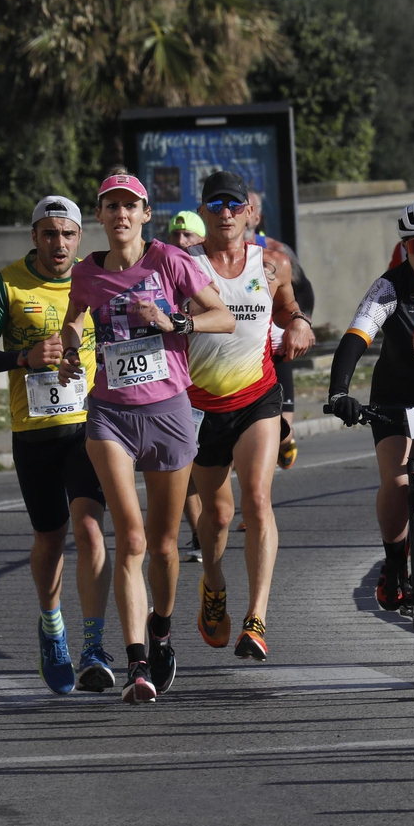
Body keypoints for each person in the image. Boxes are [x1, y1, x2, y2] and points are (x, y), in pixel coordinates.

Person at [57, 173, 235, 704]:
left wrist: (171, 319)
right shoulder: (88, 272)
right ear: (101, 215)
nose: (120, 216)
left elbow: (222, 317)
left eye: (129, 206)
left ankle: (160, 629)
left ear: (145, 212)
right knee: (130, 539)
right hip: (109, 414)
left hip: (168, 414)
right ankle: (137, 662)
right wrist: (69, 348)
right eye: (111, 206)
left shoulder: (169, 262)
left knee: (162, 545)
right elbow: (73, 320)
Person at [0, 195, 112, 695]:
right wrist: (23, 357)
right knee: (51, 538)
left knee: (90, 529)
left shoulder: (94, 279)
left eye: (68, 234)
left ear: (79, 239)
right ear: (35, 237)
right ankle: (53, 628)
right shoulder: (7, 283)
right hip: (34, 434)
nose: (59, 244)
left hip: (89, 428)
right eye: (49, 234)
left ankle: (94, 646)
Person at [187, 170, 314, 662]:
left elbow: (286, 307)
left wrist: (299, 322)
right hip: (200, 406)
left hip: (257, 396)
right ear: (202, 212)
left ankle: (256, 617)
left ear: (248, 213)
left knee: (257, 501)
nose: (225, 213)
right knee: (217, 515)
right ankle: (213, 583)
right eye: (215, 205)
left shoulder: (272, 263)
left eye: (233, 205)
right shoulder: (186, 265)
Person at [327, 194, 414, 612]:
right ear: (405, 248)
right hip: (396, 396)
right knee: (397, 482)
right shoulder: (389, 286)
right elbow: (357, 336)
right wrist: (339, 392)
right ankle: (395, 563)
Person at [246, 190, 312, 469]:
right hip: (244, 347)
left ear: (256, 216)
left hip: (276, 340)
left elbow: (304, 290)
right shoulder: (212, 257)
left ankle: (284, 440)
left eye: (244, 208)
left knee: (282, 428)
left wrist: (300, 323)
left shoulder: (276, 252)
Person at [167, 210, 208, 563]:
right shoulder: (162, 277)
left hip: (216, 385)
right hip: (181, 388)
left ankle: (209, 526)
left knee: (209, 467)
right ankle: (199, 533)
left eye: (189, 237)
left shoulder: (209, 278)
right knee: (185, 466)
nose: (181, 243)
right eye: (175, 236)